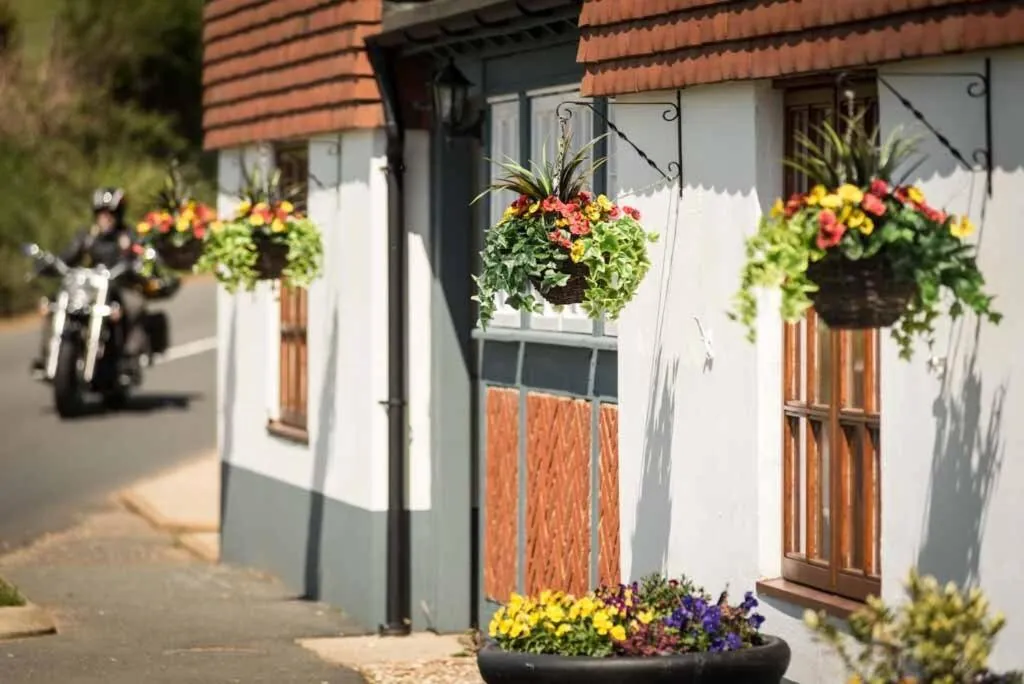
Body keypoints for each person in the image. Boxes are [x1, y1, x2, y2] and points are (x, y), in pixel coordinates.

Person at [31, 188, 147, 375]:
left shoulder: (128, 236)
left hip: (117, 286)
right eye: (101, 213)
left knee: (135, 305)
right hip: (89, 288)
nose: (105, 218)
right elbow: (68, 256)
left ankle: (129, 358)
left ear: (119, 215)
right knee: (52, 305)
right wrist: (49, 264)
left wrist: (135, 264)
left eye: (110, 213)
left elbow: (138, 257)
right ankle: (48, 356)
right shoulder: (87, 236)